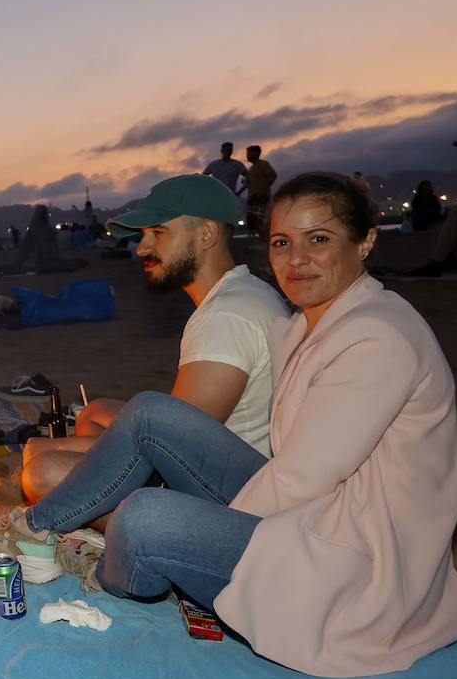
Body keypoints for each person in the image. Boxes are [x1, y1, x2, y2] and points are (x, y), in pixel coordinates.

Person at [0, 173, 457, 678]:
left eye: (319, 239)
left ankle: (107, 574)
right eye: (282, 242)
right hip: (320, 515)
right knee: (150, 411)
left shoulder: (377, 339)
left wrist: (197, 523)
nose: (296, 259)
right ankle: (35, 532)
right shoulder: (315, 322)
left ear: (365, 240)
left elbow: (302, 479)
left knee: (145, 518)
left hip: (357, 569)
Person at [21, 175, 288, 503]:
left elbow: (175, 446)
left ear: (206, 234)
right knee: (95, 411)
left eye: (159, 233)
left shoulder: (225, 317)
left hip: (230, 494)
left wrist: (59, 446)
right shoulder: (247, 289)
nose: (142, 249)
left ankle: (116, 526)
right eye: (144, 235)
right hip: (236, 459)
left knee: (42, 472)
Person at [243, 145, 276, 237]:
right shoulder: (252, 168)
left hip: (261, 197)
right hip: (252, 197)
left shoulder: (263, 164)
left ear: (256, 153)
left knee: (259, 218)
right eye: (247, 154)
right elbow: (247, 183)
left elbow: (273, 175)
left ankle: (264, 239)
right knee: (251, 218)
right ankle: (254, 238)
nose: (247, 156)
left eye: (249, 154)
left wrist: (264, 189)